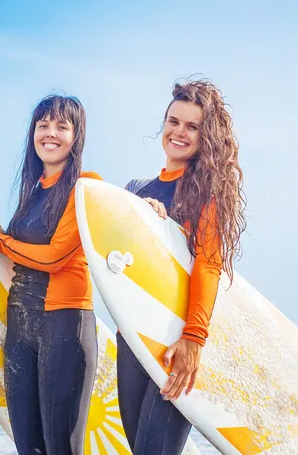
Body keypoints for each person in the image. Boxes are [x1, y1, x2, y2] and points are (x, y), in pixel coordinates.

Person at [0, 95, 101, 455]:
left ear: (76, 137)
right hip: (20, 326)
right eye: (43, 125)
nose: (50, 133)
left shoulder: (85, 187)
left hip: (64, 325)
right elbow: (9, 270)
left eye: (62, 126)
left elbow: (53, 259)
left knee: (61, 447)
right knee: (27, 447)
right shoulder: (31, 194)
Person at [117, 79, 246, 455]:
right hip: (134, 337)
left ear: (206, 136)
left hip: (176, 341)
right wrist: (148, 225)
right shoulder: (137, 191)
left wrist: (193, 339)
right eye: (174, 121)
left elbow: (208, 264)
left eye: (192, 126)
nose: (179, 132)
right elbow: (117, 261)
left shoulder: (208, 191)